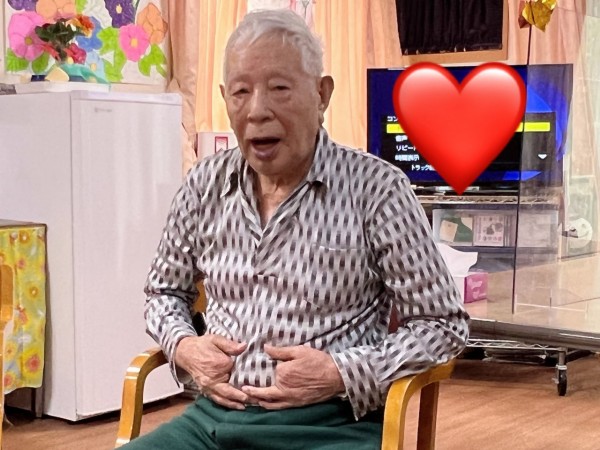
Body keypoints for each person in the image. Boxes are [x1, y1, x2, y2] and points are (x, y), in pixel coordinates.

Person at [125, 8, 469, 450]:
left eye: (280, 89)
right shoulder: (204, 184)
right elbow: (163, 293)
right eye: (241, 92)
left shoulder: (377, 189)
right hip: (212, 421)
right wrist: (184, 347)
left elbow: (442, 324)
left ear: (322, 95)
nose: (257, 111)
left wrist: (341, 372)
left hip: (331, 426)